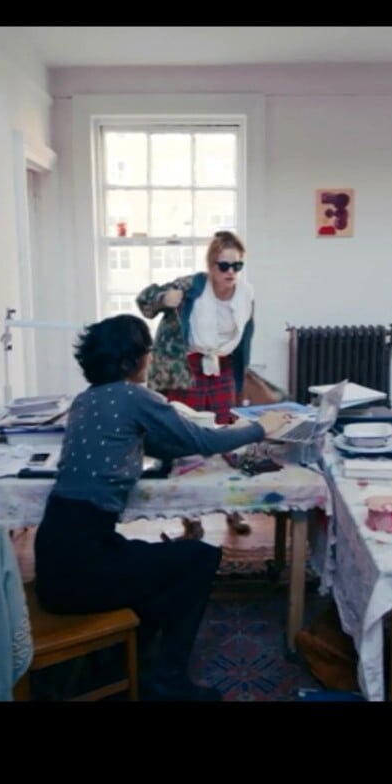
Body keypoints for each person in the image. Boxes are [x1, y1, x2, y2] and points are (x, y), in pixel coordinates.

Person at [32, 314, 292, 701]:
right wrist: (261, 427)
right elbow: (201, 440)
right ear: (129, 360)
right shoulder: (134, 397)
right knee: (200, 557)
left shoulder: (85, 401)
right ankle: (167, 679)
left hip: (55, 559)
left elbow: (157, 443)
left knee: (159, 564)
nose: (151, 357)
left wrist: (191, 445)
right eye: (148, 350)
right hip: (85, 568)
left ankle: (126, 659)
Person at [136, 230, 256, 535]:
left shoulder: (246, 295)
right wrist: (164, 299)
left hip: (222, 367)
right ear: (211, 265)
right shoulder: (192, 286)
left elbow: (244, 338)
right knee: (186, 438)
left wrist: (242, 376)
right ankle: (191, 519)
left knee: (227, 437)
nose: (230, 272)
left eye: (237, 265)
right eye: (224, 265)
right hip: (186, 368)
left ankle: (233, 509)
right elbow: (144, 301)